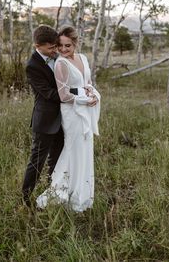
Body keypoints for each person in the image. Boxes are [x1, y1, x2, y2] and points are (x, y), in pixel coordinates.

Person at [36, 26, 100, 212]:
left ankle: (82, 192)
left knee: (85, 148)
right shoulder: (61, 64)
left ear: (75, 44)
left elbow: (86, 83)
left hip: (85, 107)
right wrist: (84, 98)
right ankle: (64, 191)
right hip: (72, 112)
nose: (63, 50)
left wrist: (94, 94)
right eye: (60, 46)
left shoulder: (83, 59)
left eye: (68, 46)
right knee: (74, 148)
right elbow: (63, 95)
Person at [22, 25, 79, 207]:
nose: (55, 50)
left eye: (56, 46)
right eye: (51, 48)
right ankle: (25, 197)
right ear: (37, 45)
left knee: (57, 159)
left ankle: (52, 192)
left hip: (64, 119)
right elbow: (48, 93)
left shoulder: (58, 58)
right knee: (37, 161)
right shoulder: (33, 66)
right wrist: (77, 96)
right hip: (45, 120)